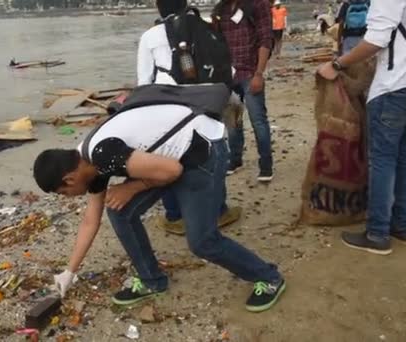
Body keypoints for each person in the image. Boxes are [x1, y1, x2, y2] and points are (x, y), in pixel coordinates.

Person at [33, 90, 286, 312]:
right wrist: (70, 271)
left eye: (63, 194)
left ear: (68, 179)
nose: (68, 197)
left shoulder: (102, 154)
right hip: (171, 158)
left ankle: (269, 277)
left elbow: (173, 172)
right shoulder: (88, 164)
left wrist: (131, 188)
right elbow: (90, 220)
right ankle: (151, 280)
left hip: (202, 151)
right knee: (119, 212)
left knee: (202, 242)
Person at [137, 0, 243, 235]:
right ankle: (219, 212)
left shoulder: (151, 36)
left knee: (168, 158)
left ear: (159, 8)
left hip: (169, 107)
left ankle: (175, 216)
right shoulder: (206, 27)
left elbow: (144, 82)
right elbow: (229, 70)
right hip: (207, 104)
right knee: (212, 157)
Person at [318, 0, 406, 254]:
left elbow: (376, 40)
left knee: (382, 160)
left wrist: (337, 64)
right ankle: (403, 226)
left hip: (393, 87)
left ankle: (378, 233)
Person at [212, 0, 274, 181]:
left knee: (258, 121)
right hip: (228, 77)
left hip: (250, 73)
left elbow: (265, 40)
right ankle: (235, 159)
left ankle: (266, 166)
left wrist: (259, 74)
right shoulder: (221, 9)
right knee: (232, 122)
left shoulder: (258, 4)